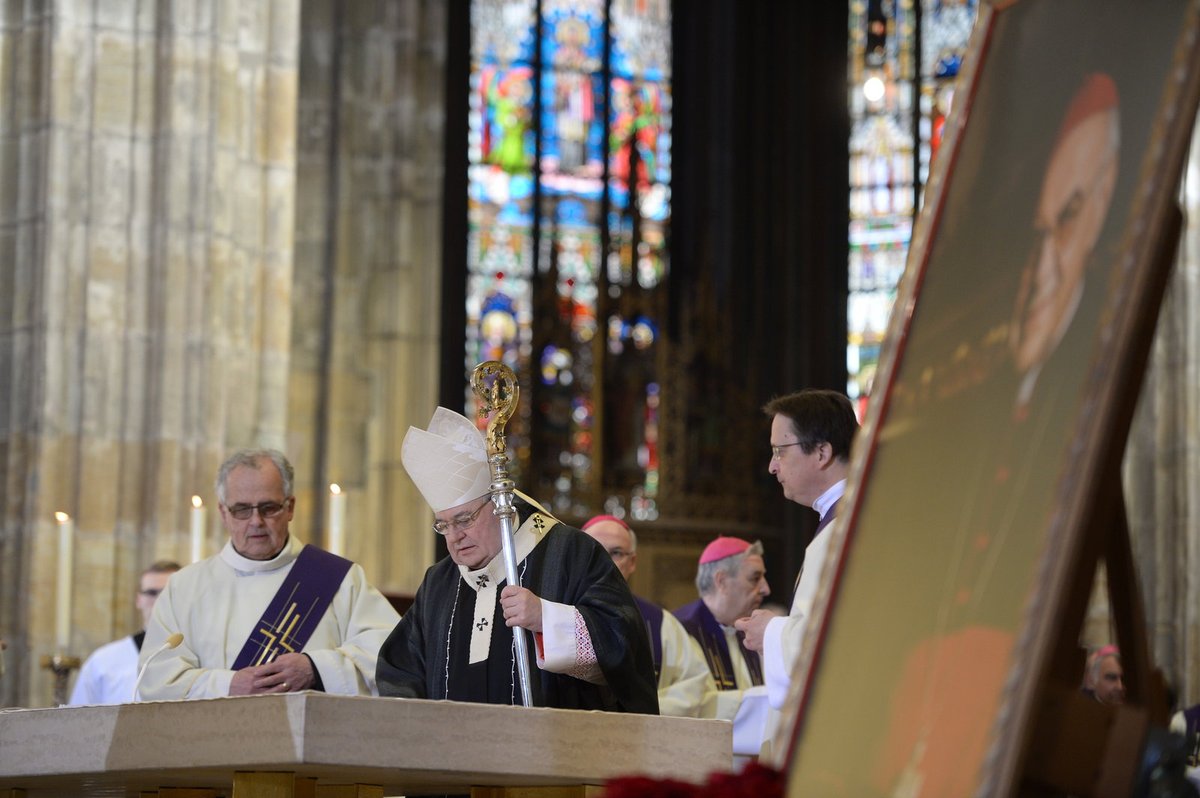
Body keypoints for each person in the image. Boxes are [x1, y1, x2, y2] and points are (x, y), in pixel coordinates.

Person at [375, 407, 657, 713]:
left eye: (464, 520)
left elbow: (624, 646)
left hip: (551, 751)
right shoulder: (439, 583)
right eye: (443, 525)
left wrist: (546, 619)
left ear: (499, 504)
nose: (454, 536)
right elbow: (399, 669)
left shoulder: (569, 554)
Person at [137, 449, 399, 700]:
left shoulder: (339, 579)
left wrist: (315, 669)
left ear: (290, 508)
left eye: (268, 508)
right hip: (213, 742)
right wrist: (229, 685)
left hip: (315, 740)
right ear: (223, 514)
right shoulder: (185, 587)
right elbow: (156, 681)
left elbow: (390, 658)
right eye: (241, 509)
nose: (256, 521)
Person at [736, 389, 858, 718]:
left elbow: (841, 641)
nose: (772, 467)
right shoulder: (847, 518)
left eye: (780, 451)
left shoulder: (848, 530)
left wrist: (771, 631)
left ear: (821, 452)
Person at [582, 514, 715, 717]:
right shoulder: (556, 615)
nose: (605, 562)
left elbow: (694, 685)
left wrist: (639, 709)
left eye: (616, 552)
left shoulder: (662, 624)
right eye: (594, 551)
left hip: (642, 738)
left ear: (633, 561)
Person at [673, 535, 770, 721]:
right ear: (721, 581)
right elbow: (686, 708)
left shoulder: (747, 630)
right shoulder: (680, 631)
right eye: (755, 578)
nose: (766, 588)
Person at [68, 560, 180, 705]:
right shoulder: (103, 662)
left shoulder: (204, 656)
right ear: (138, 600)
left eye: (169, 592)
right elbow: (78, 722)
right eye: (152, 593)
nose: (160, 600)